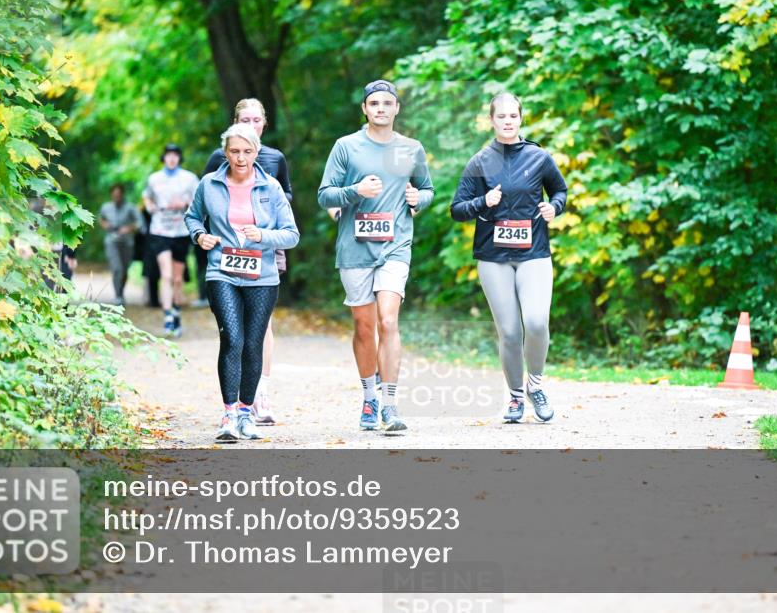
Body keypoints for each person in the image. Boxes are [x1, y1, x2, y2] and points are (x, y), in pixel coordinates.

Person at [317, 79, 434, 434]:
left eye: (387, 103)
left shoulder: (411, 149)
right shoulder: (346, 146)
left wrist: (418, 200)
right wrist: (356, 190)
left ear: (396, 108)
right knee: (364, 326)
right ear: (365, 109)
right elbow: (325, 195)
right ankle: (370, 396)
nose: (381, 108)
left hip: (395, 246)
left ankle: (391, 404)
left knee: (388, 320)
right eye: (374, 103)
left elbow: (427, 189)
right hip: (355, 249)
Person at [450, 92, 567, 423]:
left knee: (537, 322)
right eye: (501, 116)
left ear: (521, 118)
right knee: (511, 333)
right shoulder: (479, 162)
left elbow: (560, 190)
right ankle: (515, 397)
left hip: (533, 253)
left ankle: (535, 385)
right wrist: (483, 201)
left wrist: (554, 207)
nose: (507, 121)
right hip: (493, 257)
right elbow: (457, 209)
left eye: (513, 116)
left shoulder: (539, 157)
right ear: (491, 120)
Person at [186, 123, 299, 443]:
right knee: (232, 339)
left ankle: (247, 413)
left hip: (262, 275)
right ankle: (229, 414)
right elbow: (192, 217)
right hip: (221, 271)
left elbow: (291, 235)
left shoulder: (271, 188)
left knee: (252, 344)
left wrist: (262, 235)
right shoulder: (209, 184)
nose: (240, 158)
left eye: (247, 152)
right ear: (225, 152)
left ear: (256, 152)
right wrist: (200, 235)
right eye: (234, 151)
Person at [143, 143, 199, 337]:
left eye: (175, 155)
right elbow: (147, 198)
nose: (172, 158)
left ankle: (176, 312)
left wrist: (184, 203)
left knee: (177, 278)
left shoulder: (189, 178)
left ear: (179, 158)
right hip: (160, 230)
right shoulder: (154, 178)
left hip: (181, 231)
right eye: (168, 155)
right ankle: (167, 316)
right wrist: (151, 207)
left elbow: (199, 202)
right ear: (164, 157)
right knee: (166, 275)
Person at [99, 184, 143, 305]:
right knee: (116, 268)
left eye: (118, 195)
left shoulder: (130, 208)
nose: (116, 197)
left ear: (122, 195)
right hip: (111, 242)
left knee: (124, 269)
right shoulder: (106, 207)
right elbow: (101, 219)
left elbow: (140, 223)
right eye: (114, 195)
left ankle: (121, 292)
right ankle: (117, 295)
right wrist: (105, 225)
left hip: (127, 242)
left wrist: (129, 228)